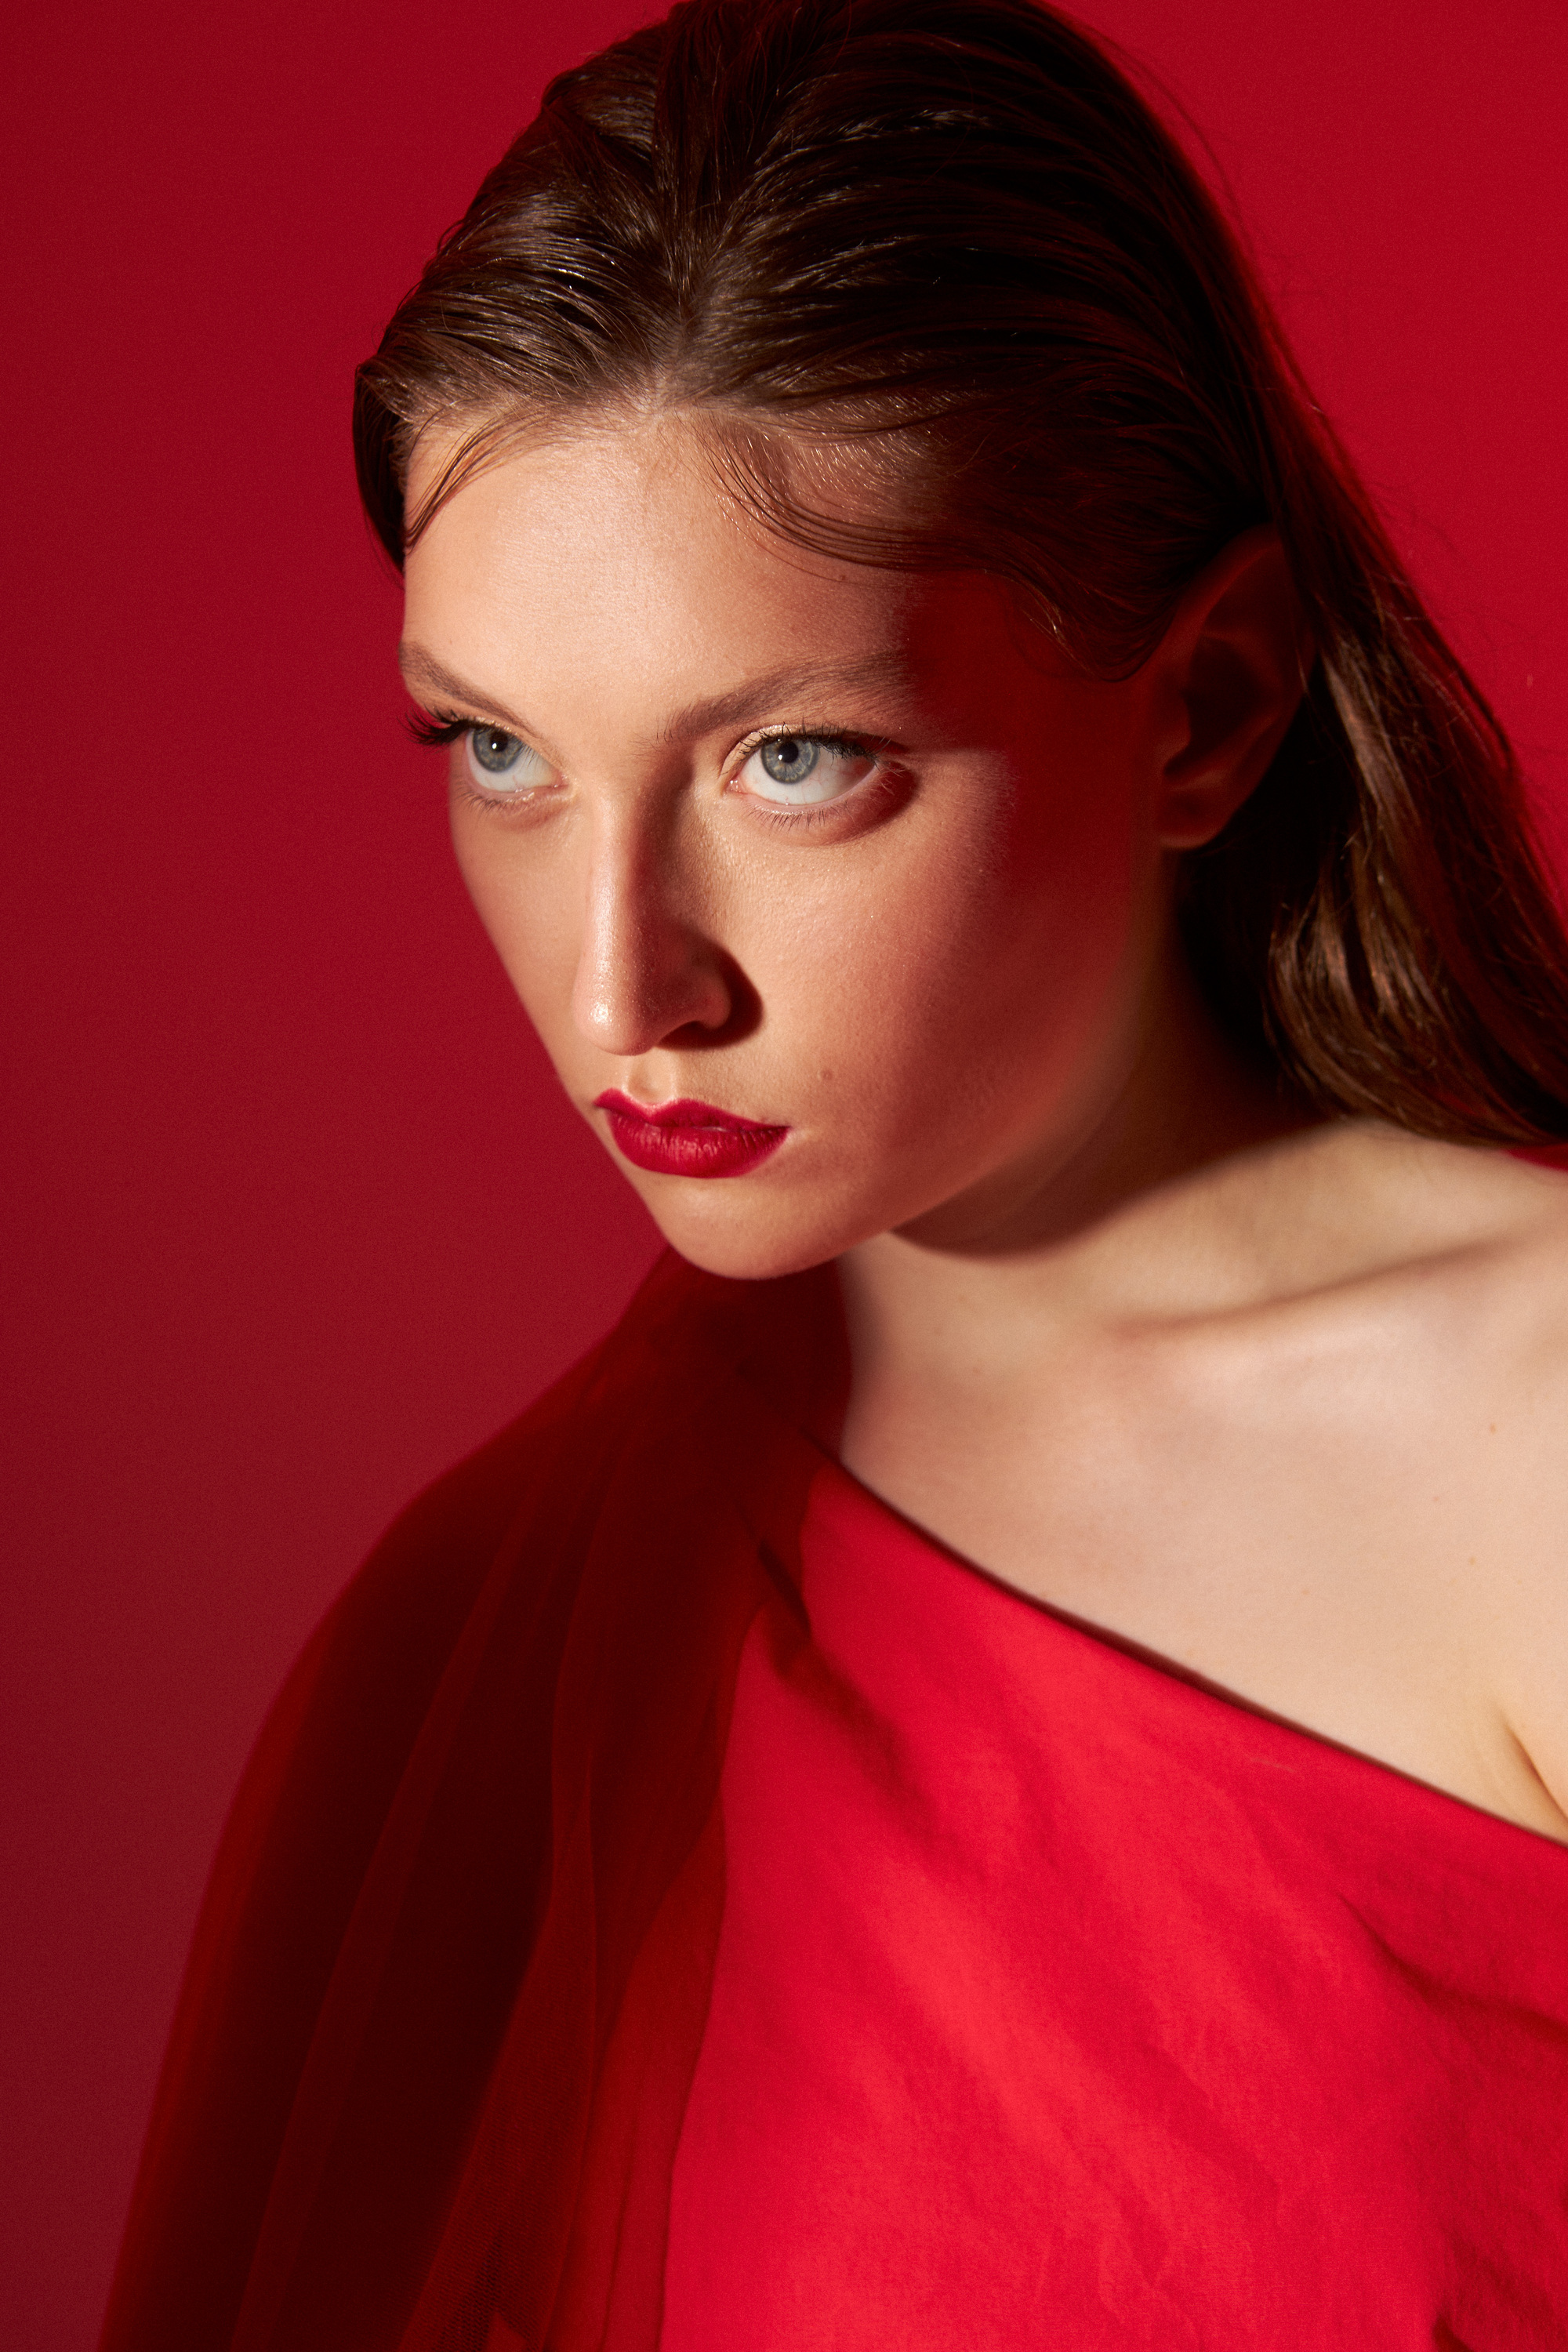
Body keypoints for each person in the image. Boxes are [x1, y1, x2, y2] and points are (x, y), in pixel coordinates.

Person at [100, 1, 1568, 2345]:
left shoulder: (1534, 1434)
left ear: (1207, 706)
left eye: (794, 759)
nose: (623, 984)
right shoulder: (478, 1629)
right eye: (497, 750)